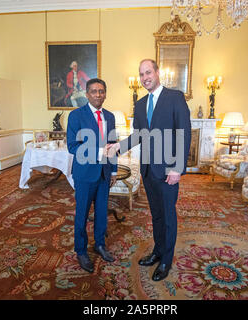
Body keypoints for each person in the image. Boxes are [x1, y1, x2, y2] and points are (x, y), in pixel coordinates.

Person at [106, 59, 191, 282]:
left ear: (157, 72)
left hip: (168, 170)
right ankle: (158, 251)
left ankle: (166, 260)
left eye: (148, 72)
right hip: (148, 170)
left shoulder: (175, 98)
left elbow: (184, 133)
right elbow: (139, 135)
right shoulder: (140, 104)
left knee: (169, 216)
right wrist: (118, 146)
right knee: (156, 215)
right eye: (141, 74)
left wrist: (177, 168)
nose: (145, 78)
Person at [66, 78, 118, 273]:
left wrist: (113, 170)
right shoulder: (76, 116)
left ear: (105, 94)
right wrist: (98, 153)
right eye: (94, 91)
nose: (98, 95)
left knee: (102, 213)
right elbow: (73, 146)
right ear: (87, 94)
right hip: (85, 174)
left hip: (105, 173)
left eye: (102, 91)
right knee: (82, 214)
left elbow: (112, 145)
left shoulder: (110, 117)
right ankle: (80, 250)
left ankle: (100, 244)